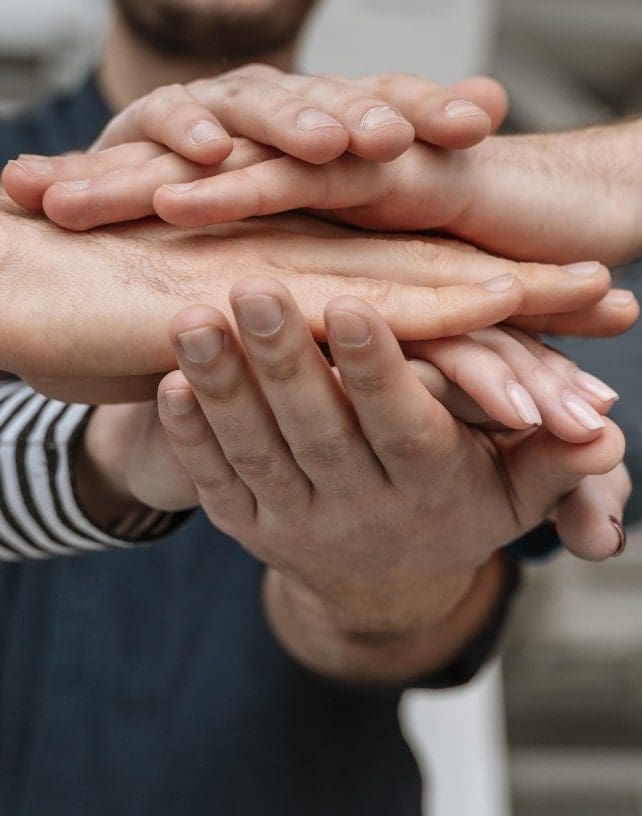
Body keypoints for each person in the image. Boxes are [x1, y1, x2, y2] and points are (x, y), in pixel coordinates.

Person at [0, 3, 633, 816]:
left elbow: (504, 558)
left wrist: (381, 597)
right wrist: (104, 446)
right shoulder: (20, 203)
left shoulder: (485, 234)